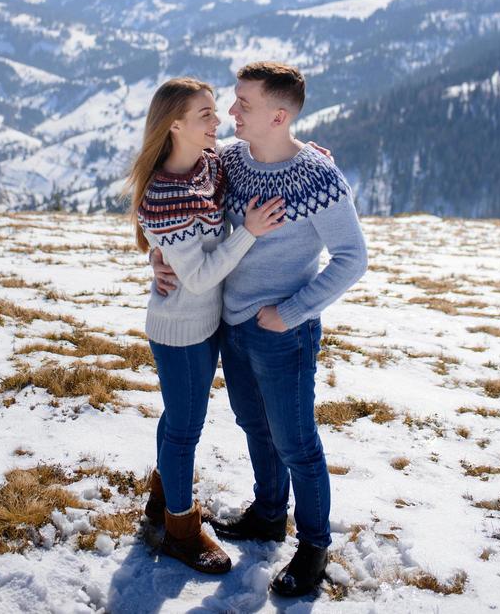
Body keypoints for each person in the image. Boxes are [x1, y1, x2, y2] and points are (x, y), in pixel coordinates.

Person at [151, 61, 368, 597]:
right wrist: (158, 256)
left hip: (282, 332)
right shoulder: (228, 160)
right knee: (253, 423)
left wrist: (291, 313)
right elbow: (179, 209)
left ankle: (314, 546)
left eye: (242, 105)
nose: (229, 113)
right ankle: (269, 514)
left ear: (277, 114)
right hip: (230, 322)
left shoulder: (318, 177)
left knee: (297, 442)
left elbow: (351, 258)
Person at [126, 76, 286, 576]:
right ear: (175, 125)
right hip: (181, 330)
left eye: (215, 112)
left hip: (206, 323)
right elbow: (196, 277)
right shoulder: (166, 196)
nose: (218, 122)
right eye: (205, 115)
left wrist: (306, 154)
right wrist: (250, 234)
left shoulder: (208, 165)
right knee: (185, 428)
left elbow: (256, 148)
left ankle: (160, 497)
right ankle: (179, 529)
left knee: (178, 418)